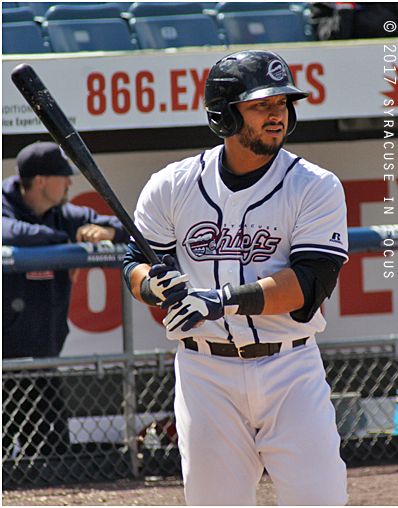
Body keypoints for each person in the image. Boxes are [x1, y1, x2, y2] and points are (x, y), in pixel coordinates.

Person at [123, 50, 349, 505]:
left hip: (290, 369)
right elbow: (135, 263)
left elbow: (309, 285)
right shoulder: (172, 185)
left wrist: (219, 301)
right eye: (261, 105)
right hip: (205, 372)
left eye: (282, 104)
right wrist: (153, 286)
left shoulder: (315, 185)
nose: (277, 115)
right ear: (225, 114)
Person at [3, 141, 130, 457]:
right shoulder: (6, 205)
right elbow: (9, 233)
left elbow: (126, 228)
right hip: (1, 365)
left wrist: (107, 234)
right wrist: (65, 244)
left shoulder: (65, 213)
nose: (70, 183)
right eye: (63, 176)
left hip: (43, 360)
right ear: (42, 181)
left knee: (54, 455)